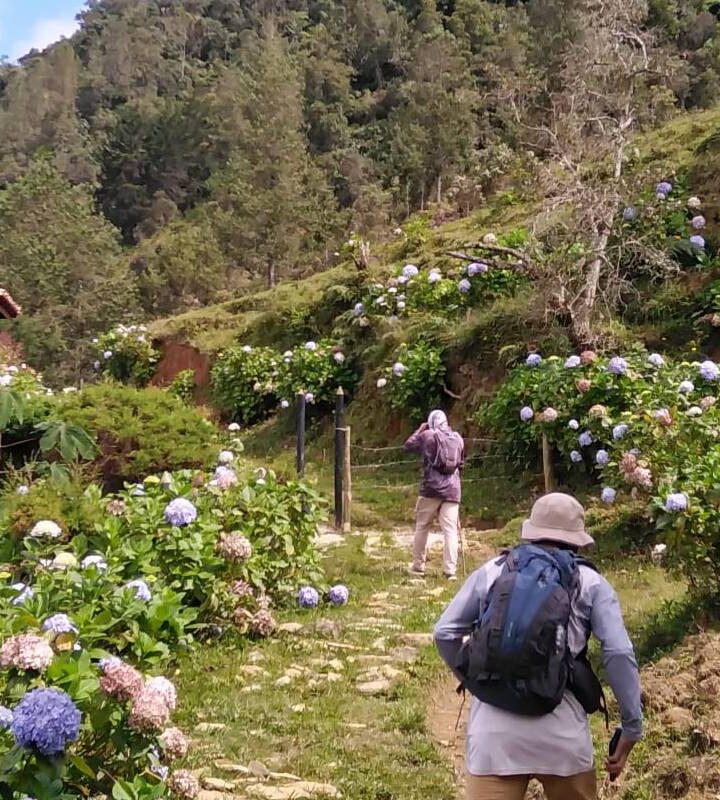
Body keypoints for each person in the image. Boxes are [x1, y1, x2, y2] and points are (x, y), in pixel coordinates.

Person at [433, 493, 642, 800]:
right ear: (578, 540)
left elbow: (444, 632)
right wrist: (631, 726)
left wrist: (475, 678)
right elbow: (618, 652)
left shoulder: (493, 570)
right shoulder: (591, 582)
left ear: (530, 531)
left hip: (493, 734)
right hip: (562, 734)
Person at [404, 409, 465, 580]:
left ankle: (418, 566)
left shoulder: (428, 435)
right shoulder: (457, 438)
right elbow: (460, 463)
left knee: (422, 526)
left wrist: (420, 430)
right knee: (450, 530)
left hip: (431, 489)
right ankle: (450, 571)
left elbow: (408, 445)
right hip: (452, 490)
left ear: (431, 422)